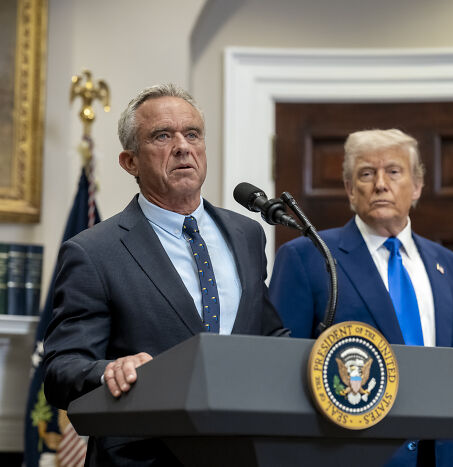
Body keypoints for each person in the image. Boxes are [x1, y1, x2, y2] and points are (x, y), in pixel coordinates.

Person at [43, 83, 288, 466]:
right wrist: (110, 369)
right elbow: (61, 369)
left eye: (192, 134)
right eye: (162, 136)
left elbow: (267, 335)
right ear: (130, 162)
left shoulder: (247, 234)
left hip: (242, 450)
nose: (182, 146)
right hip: (145, 456)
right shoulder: (93, 252)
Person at [269, 129, 453, 466]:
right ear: (349, 189)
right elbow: (280, 381)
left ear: (416, 186)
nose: (381, 184)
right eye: (367, 174)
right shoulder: (309, 258)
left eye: (394, 171)